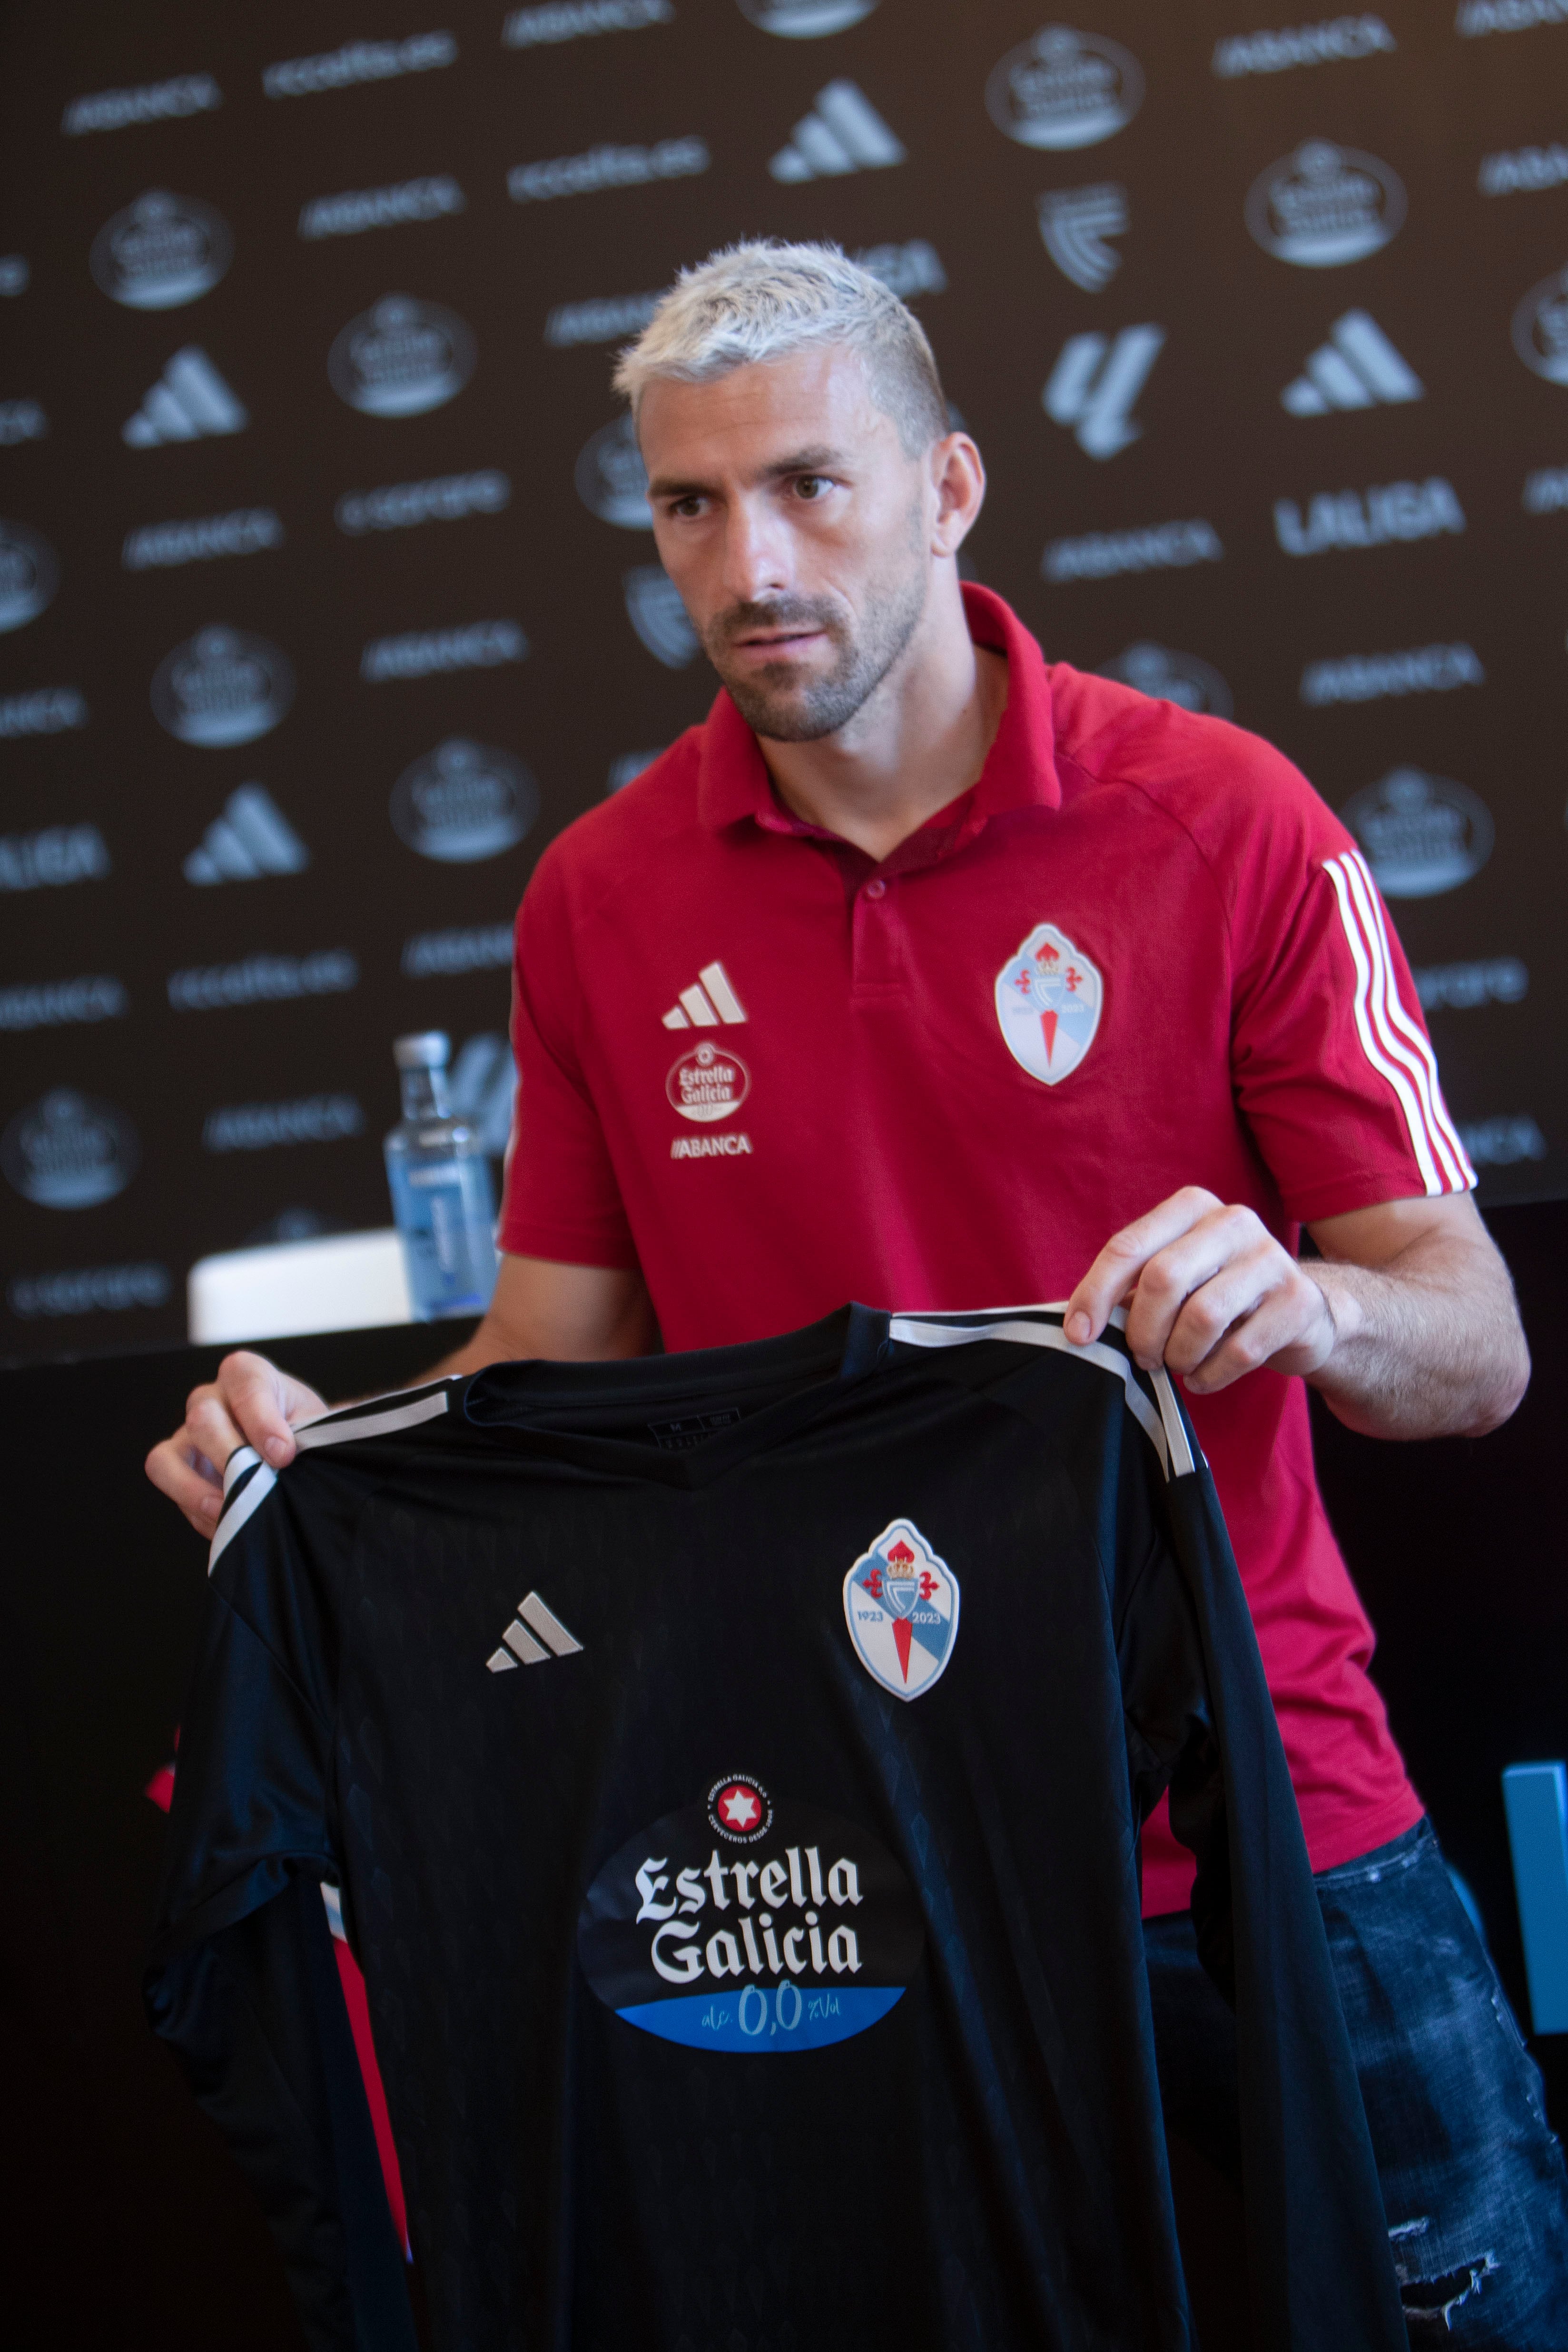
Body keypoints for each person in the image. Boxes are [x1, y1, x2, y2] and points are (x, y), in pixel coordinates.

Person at [148, 242, 1561, 2334]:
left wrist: (1306, 1303)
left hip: (1263, 1829)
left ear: (951, 489)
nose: (750, 563)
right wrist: (305, 1453)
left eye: (809, 485)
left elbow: (1471, 1345)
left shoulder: (1224, 822)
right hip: (840, 1870)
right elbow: (548, 1356)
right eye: (688, 507)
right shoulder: (600, 897)